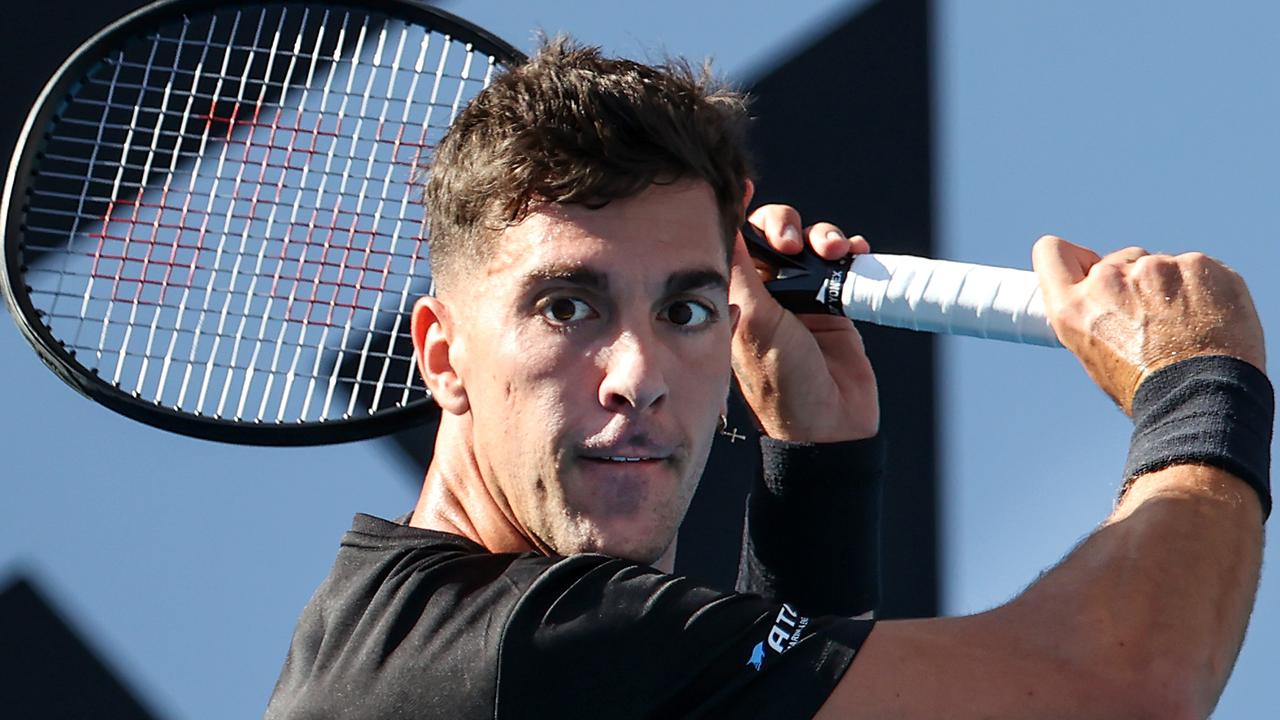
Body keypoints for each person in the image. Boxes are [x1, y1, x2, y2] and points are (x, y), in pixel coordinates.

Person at [266, 39, 1272, 719]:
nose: (637, 376)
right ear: (442, 355)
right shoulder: (538, 647)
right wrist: (1197, 384)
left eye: (685, 309)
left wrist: (816, 477)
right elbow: (1120, 686)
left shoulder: (411, 630)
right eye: (566, 307)